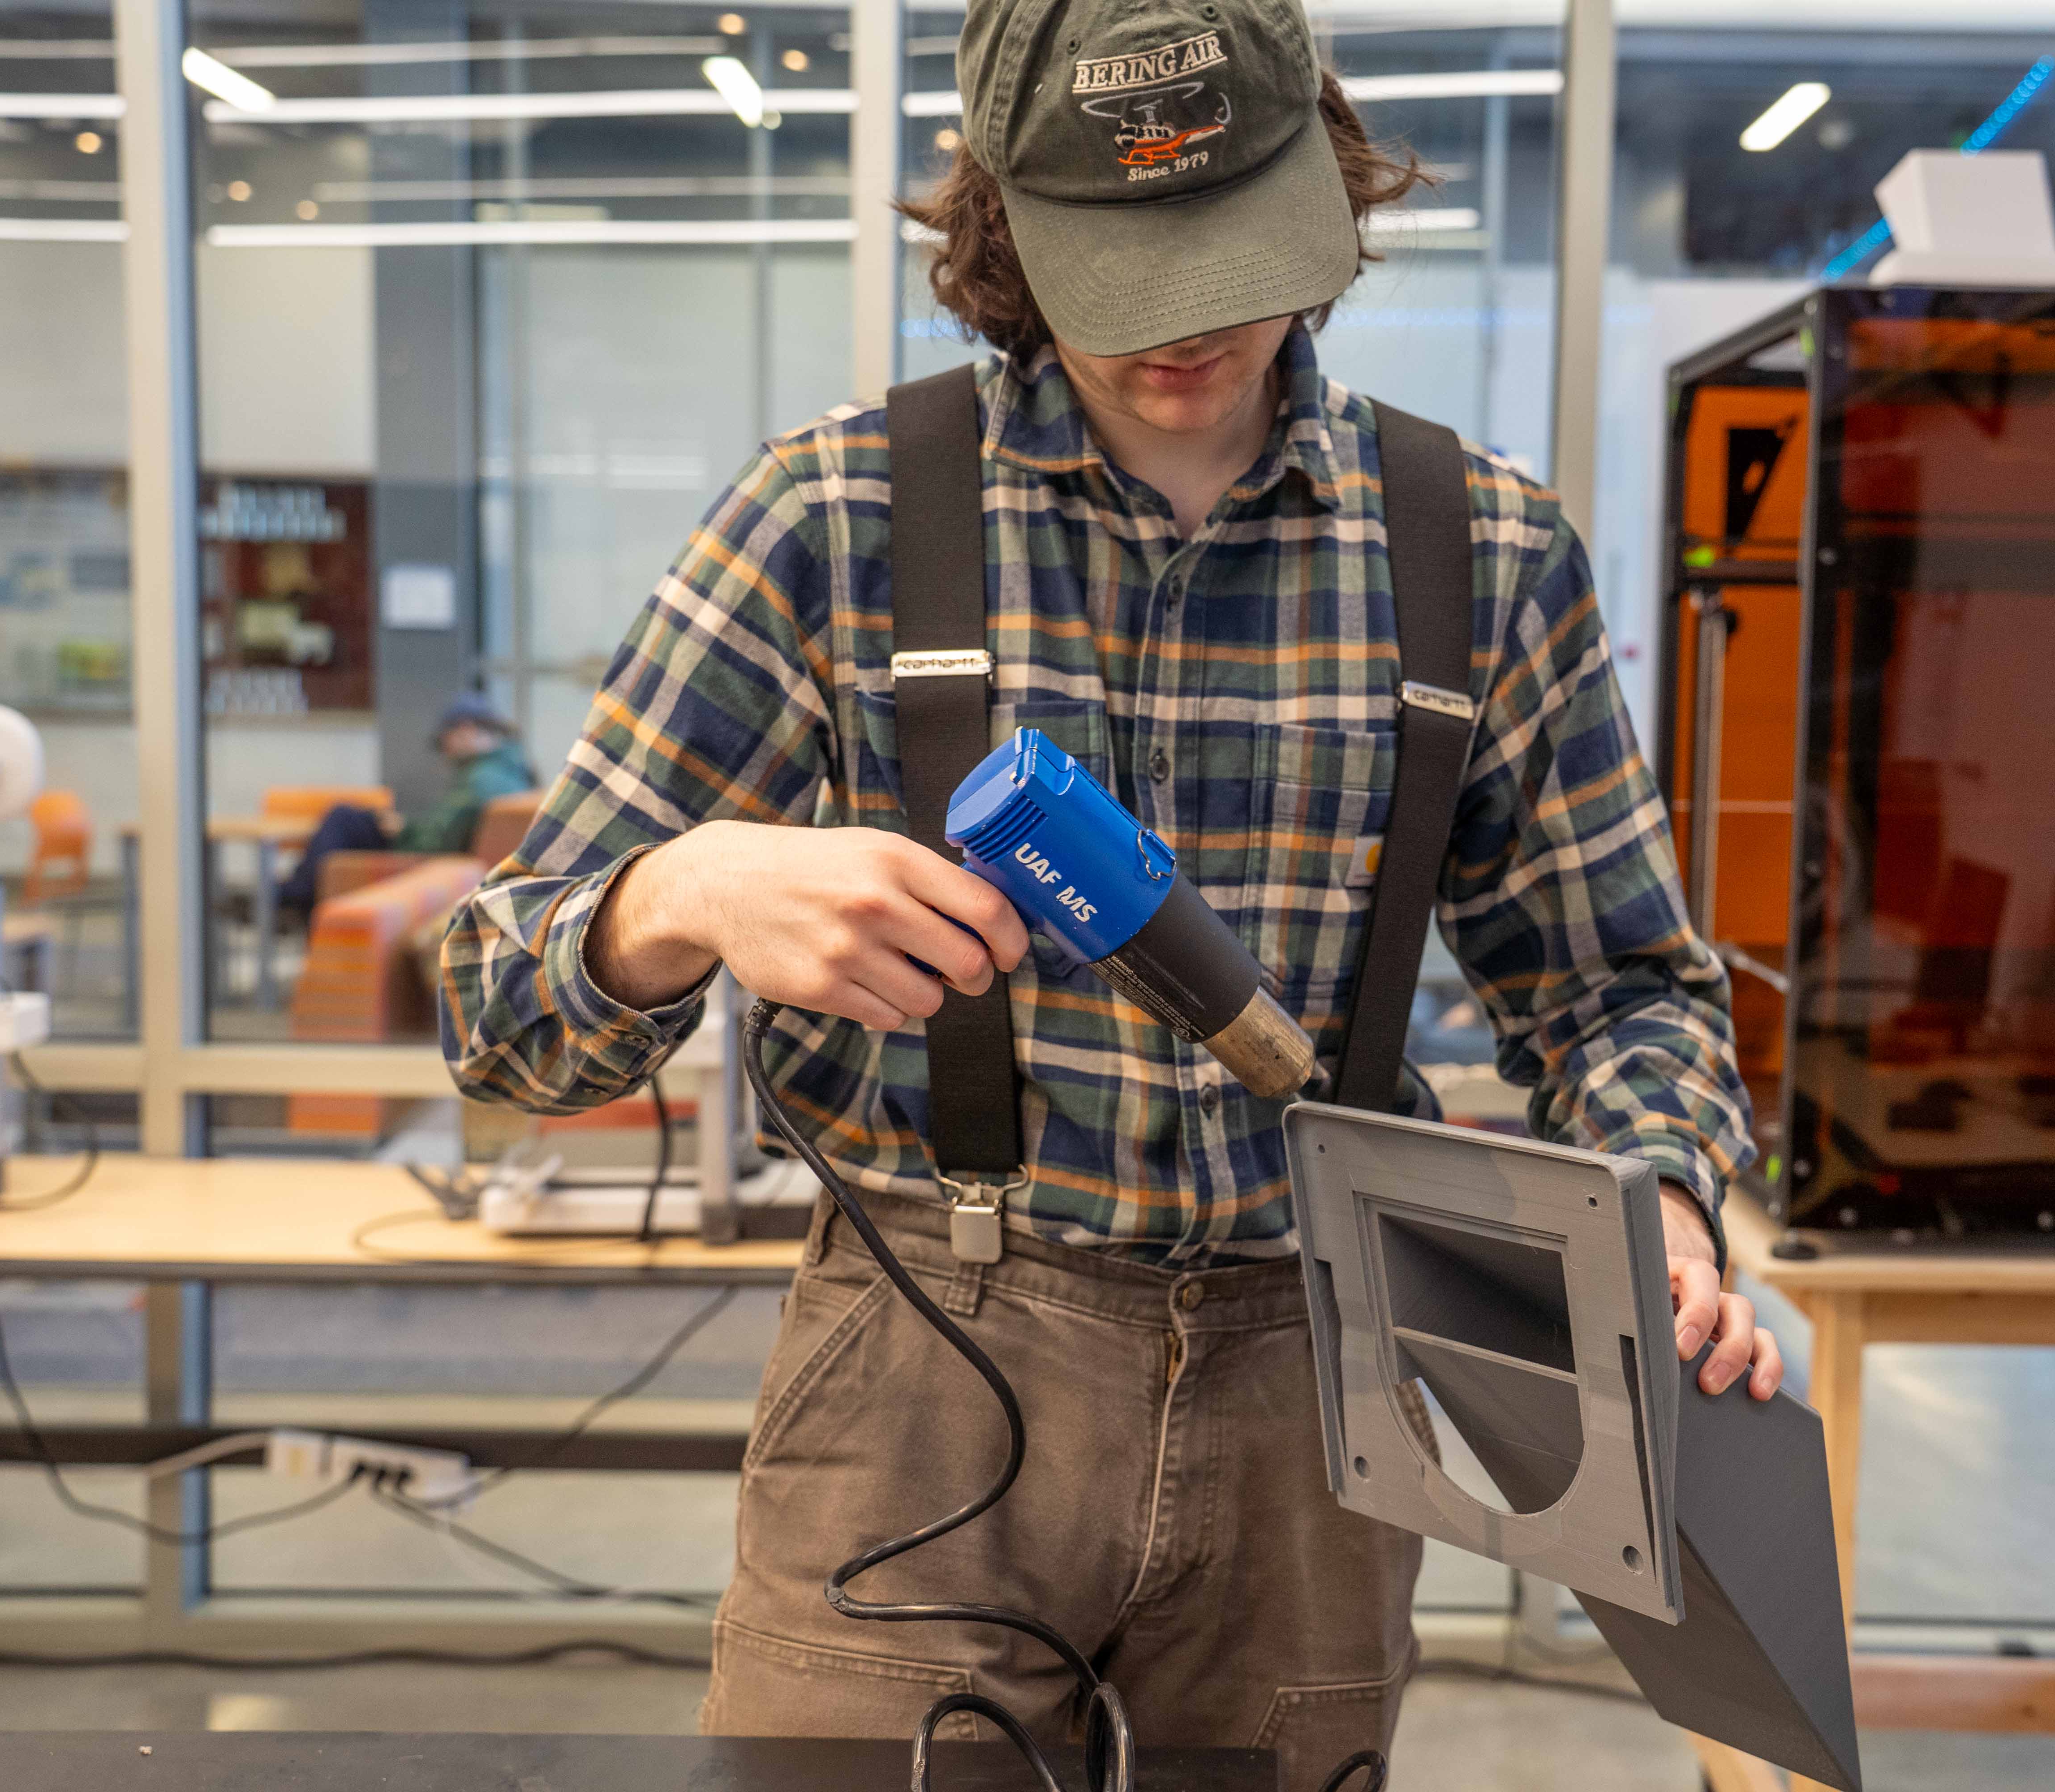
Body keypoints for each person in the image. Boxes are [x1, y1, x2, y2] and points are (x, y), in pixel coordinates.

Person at [438, 0, 1778, 1781]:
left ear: (1323, 187)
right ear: (1007, 230)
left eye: (1231, 251)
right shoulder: (836, 513)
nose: (1185, 329)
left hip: (1313, 1393)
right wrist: (675, 895)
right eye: (1124, 270)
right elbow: (498, 1013)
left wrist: (1660, 1195)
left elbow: (1621, 988)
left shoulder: (1482, 550)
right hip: (926, 1366)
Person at [276, 691, 533, 922]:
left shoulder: (481, 779)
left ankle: (295, 893)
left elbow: (438, 842)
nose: (446, 754)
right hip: (449, 859)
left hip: (424, 861)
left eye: (445, 743)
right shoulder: (510, 771)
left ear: (465, 730)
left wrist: (403, 830)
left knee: (342, 817)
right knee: (353, 819)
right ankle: (297, 891)